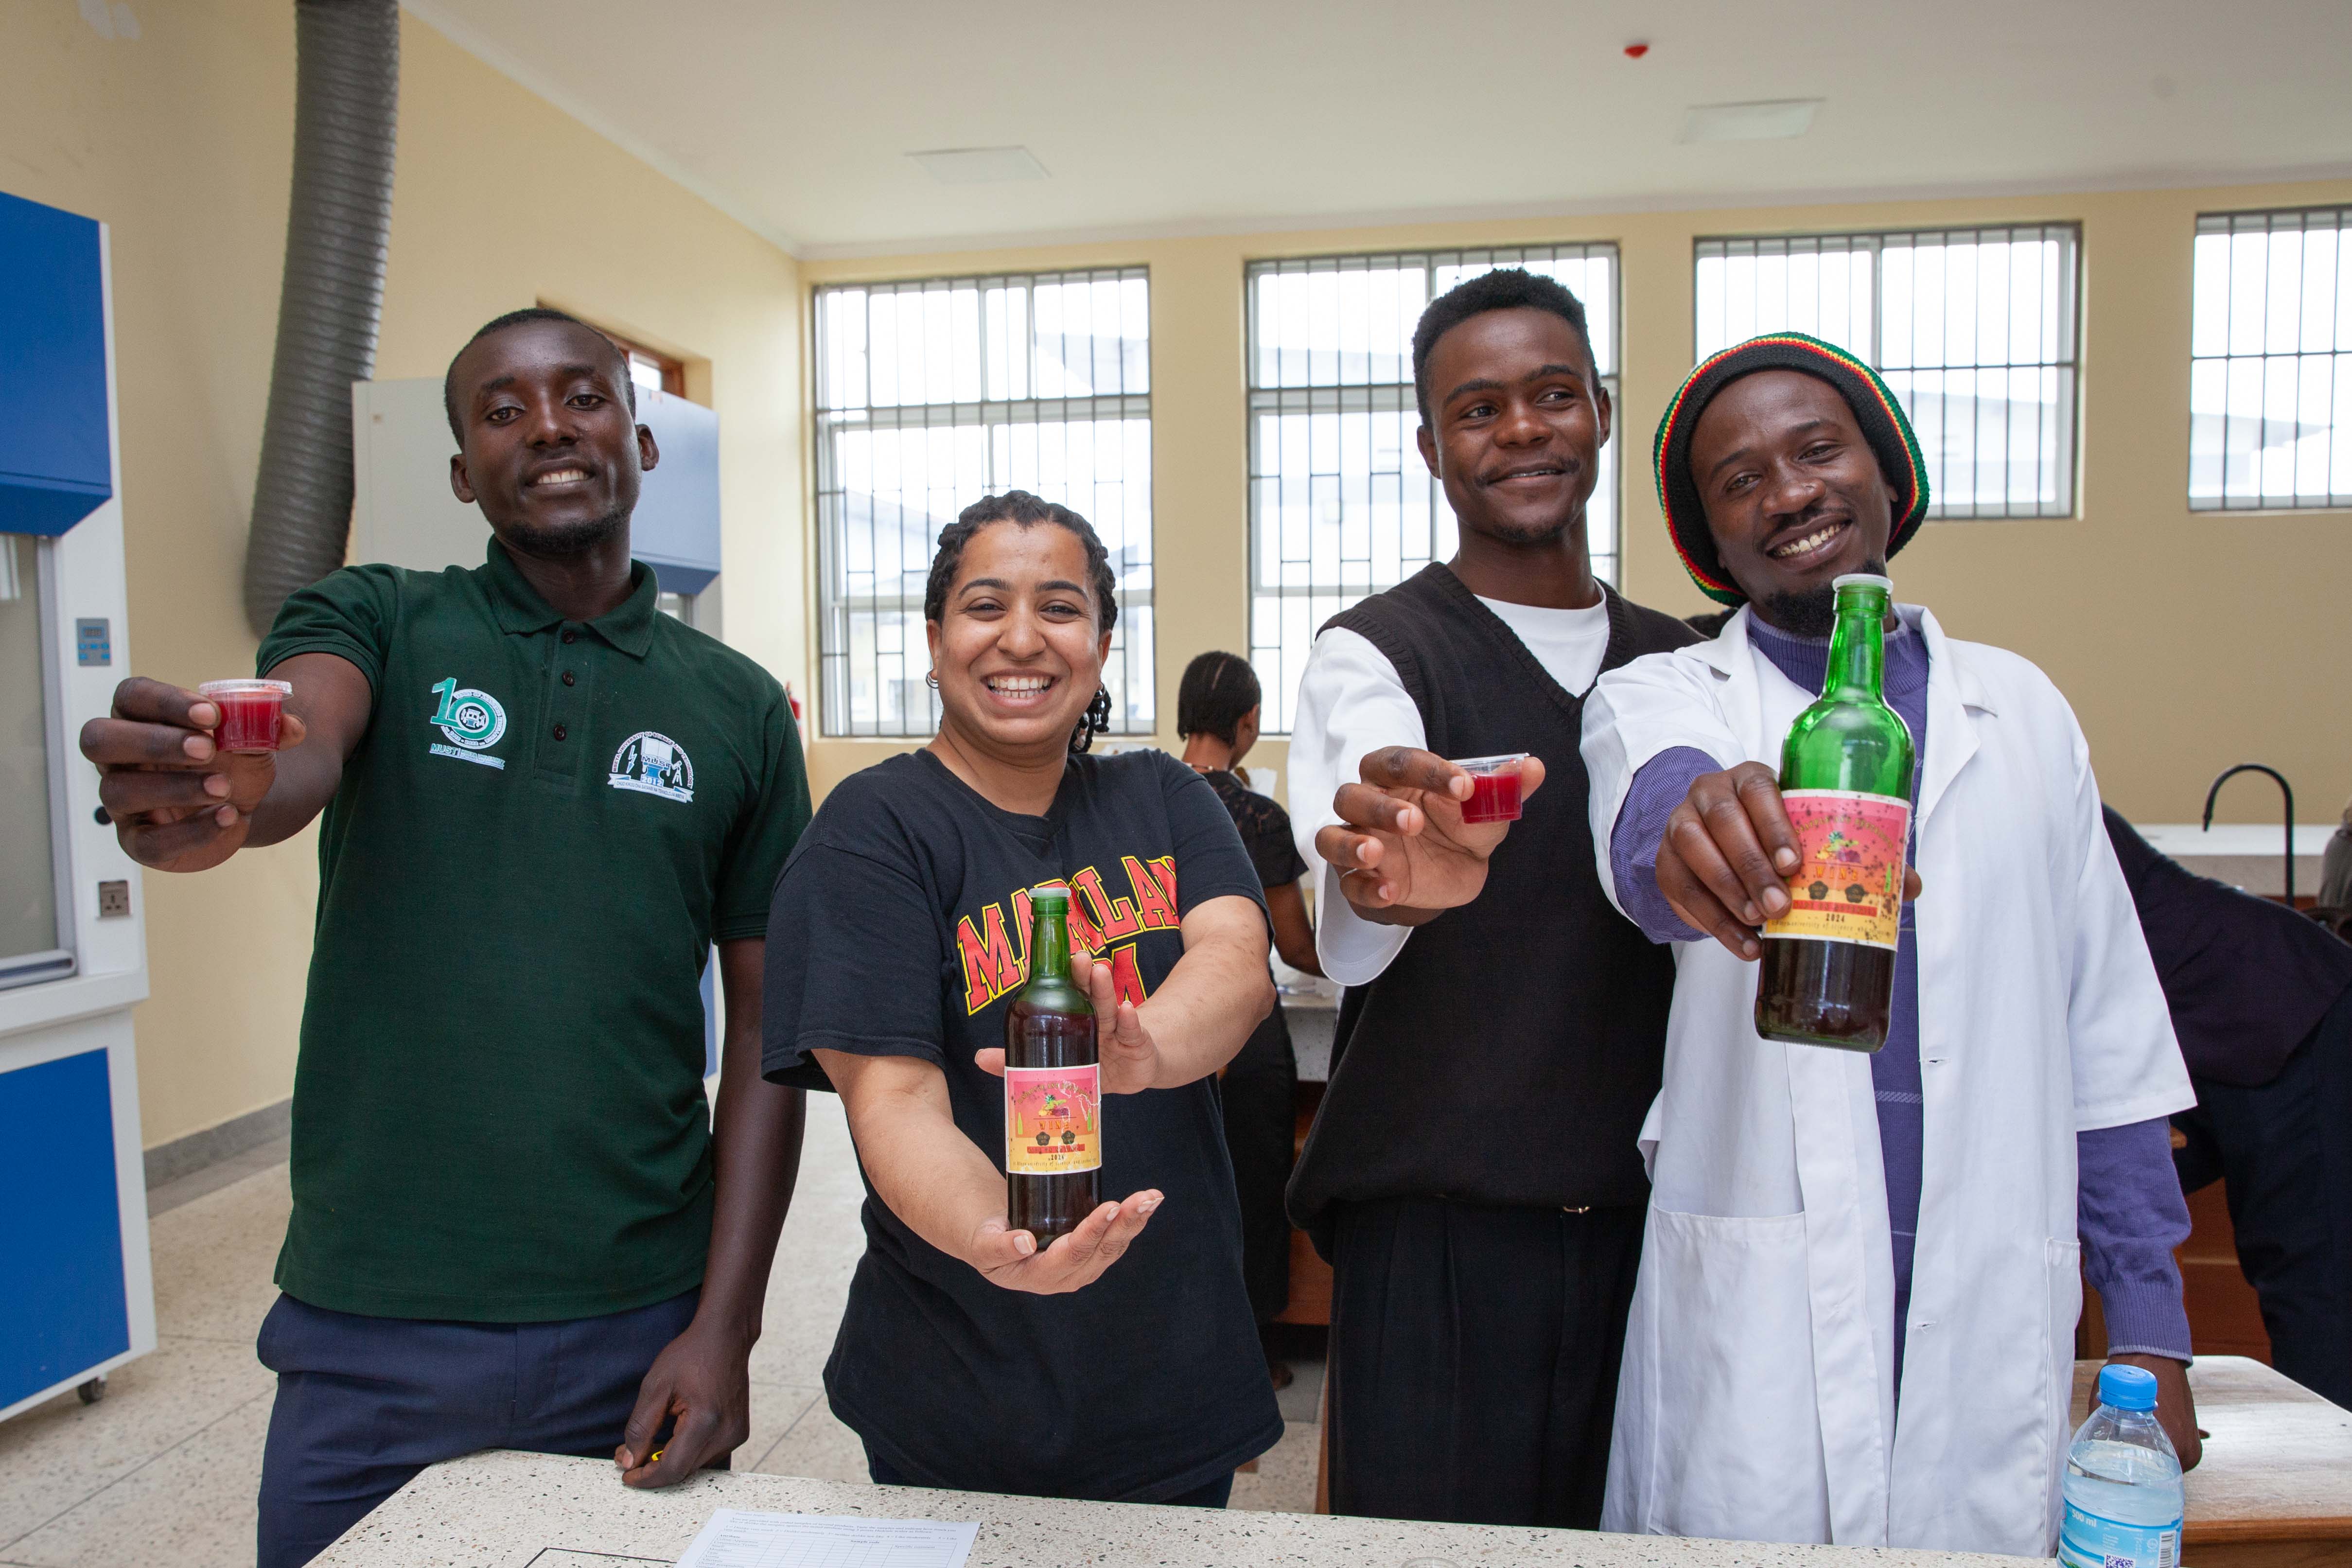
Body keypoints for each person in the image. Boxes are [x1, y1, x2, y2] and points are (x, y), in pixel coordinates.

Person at [78, 309, 812, 1567]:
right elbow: (304, 739)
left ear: (636, 441)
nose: (547, 427)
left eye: (579, 397)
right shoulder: (380, 617)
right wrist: (231, 788)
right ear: (465, 474)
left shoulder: (733, 705)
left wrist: (724, 1330)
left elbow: (766, 1033)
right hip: (369, 1323)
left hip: (634, 1320)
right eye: (502, 408)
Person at [1579, 332, 2198, 1553]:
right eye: (1740, 477)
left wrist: (2150, 1329)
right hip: (1758, 1302)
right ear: (1710, 535)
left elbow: (2110, 1039)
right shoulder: (1663, 695)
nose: (1792, 490)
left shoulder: (2021, 709)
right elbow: (1651, 821)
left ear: (1886, 470)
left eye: (1819, 449)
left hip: (1989, 1285)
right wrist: (1706, 825)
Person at [761, 492, 1282, 1505]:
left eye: (1059, 606)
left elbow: (1235, 958)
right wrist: (998, 1239)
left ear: (1098, 642)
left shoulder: (1164, 798)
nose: (1020, 637)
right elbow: (894, 1100)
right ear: (935, 637)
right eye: (984, 603)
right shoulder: (875, 828)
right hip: (962, 1384)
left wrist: (1144, 1047)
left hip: (1173, 1367)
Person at [1288, 268, 1701, 1528]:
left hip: (1652, 1225)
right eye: (1476, 408)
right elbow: (1343, 914)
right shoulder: (1375, 654)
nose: (1518, 428)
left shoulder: (1686, 665)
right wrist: (1387, 877)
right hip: (1439, 1236)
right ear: (1429, 444)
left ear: (1599, 412)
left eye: (1550, 394)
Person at [2105, 808, 2352, 1407]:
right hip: (2191, 1034)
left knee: (2320, 1300)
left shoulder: (2026, 759)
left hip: (2286, 1015)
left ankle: (2331, 1484)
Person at [1175, 650, 1322, 1386]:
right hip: (1244, 1026)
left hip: (1154, 1022)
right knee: (1253, 1190)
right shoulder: (1258, 816)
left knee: (1165, 1182)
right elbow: (1295, 944)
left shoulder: (1142, 795)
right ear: (1248, 723)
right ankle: (1251, 1351)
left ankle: (1168, 1341)